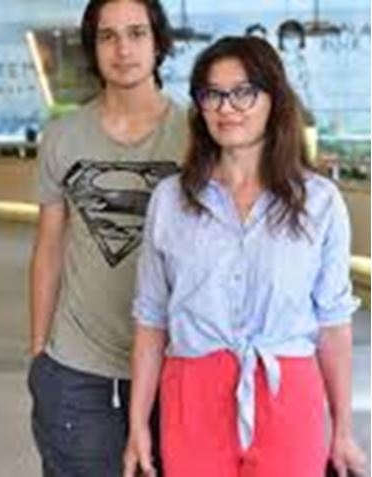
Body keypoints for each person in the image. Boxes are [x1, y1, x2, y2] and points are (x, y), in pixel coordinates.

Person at [123, 36, 367, 477]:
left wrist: (343, 429)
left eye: (243, 92)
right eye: (212, 94)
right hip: (192, 395)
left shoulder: (319, 201)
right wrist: (138, 425)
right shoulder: (171, 200)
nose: (227, 108)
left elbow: (333, 324)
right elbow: (151, 320)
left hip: (288, 393)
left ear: (274, 99)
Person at [27, 0, 187, 474]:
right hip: (79, 368)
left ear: (158, 43)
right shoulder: (63, 136)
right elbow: (49, 248)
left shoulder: (197, 135)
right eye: (107, 36)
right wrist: (39, 352)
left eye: (136, 33)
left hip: (177, 363)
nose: (123, 50)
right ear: (92, 48)